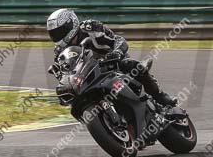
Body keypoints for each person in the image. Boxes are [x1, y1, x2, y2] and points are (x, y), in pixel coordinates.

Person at [46, 8, 177, 108]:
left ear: (71, 24)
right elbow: (65, 74)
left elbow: (119, 40)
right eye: (54, 34)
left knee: (130, 65)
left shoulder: (90, 28)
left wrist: (117, 52)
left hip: (113, 65)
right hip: (89, 78)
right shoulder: (59, 52)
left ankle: (160, 96)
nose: (57, 36)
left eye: (59, 32)